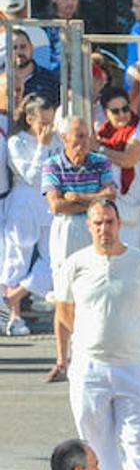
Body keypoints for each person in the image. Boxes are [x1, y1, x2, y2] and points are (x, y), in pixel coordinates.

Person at [54, 202, 140, 470]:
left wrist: (128, 330)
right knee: (95, 443)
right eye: (99, 223)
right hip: (89, 369)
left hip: (132, 366)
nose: (105, 229)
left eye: (110, 222)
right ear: (89, 226)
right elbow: (64, 312)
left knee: (137, 439)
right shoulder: (75, 265)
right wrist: (91, 339)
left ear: (120, 223)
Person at [44, 118, 120, 382]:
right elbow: (55, 206)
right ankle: (62, 360)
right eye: (77, 137)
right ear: (63, 139)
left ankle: (96, 357)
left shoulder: (100, 161)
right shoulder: (52, 164)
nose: (83, 143)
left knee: (99, 293)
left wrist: (78, 198)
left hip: (94, 231)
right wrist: (94, 200)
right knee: (64, 298)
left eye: (86, 136)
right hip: (66, 233)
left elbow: (110, 195)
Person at [3, 94, 61, 337]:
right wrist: (42, 146)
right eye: (42, 122)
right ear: (30, 119)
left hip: (48, 202)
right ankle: (13, 316)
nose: (47, 128)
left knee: (54, 260)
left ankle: (12, 297)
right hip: (24, 201)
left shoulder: (54, 140)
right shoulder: (17, 142)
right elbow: (31, 176)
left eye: (50, 122)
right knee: (18, 258)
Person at [94, 88, 140, 252]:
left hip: (131, 208)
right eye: (116, 111)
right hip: (108, 209)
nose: (122, 114)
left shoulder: (139, 128)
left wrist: (100, 149)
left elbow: (128, 160)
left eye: (125, 109)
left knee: (129, 259)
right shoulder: (103, 133)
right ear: (105, 113)